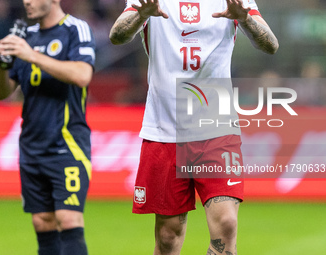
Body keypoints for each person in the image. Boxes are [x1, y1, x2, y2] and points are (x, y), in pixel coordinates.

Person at [110, 0, 278, 254]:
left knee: (227, 223)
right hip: (164, 130)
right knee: (168, 236)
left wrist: (244, 18)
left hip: (217, 129)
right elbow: (117, 36)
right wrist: (141, 15)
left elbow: (271, 45)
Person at [0, 0, 95, 254]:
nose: (26, 1)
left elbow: (83, 75)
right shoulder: (25, 36)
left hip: (67, 143)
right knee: (42, 222)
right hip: (31, 145)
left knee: (68, 219)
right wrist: (3, 68)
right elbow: (1, 92)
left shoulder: (75, 29)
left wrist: (32, 55)